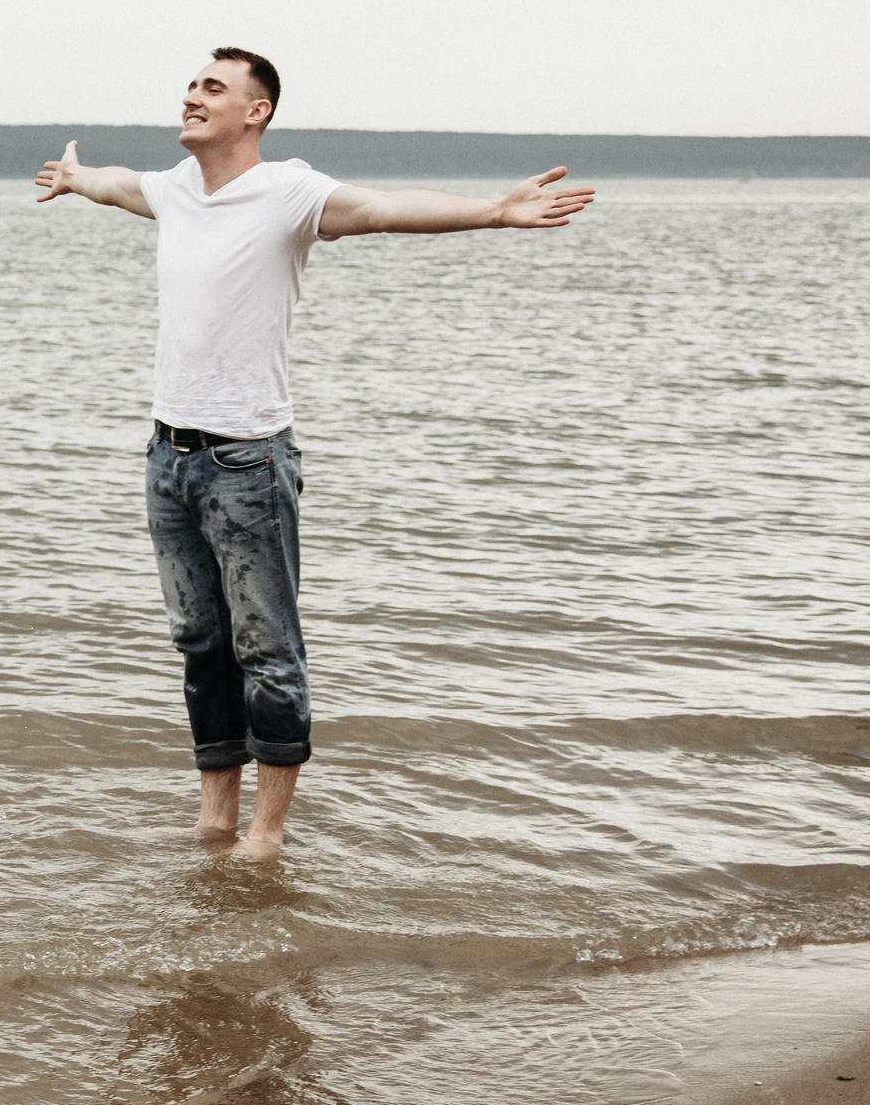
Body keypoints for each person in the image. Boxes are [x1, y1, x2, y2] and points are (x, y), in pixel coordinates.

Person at [34, 48, 594, 855]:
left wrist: (495, 211)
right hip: (168, 456)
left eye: (212, 88)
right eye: (192, 84)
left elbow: (382, 208)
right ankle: (215, 818)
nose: (191, 96)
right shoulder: (175, 190)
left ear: (254, 111)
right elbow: (117, 183)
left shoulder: (287, 190)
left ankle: (266, 836)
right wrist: (76, 177)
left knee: (267, 649)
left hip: (247, 462)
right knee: (201, 646)